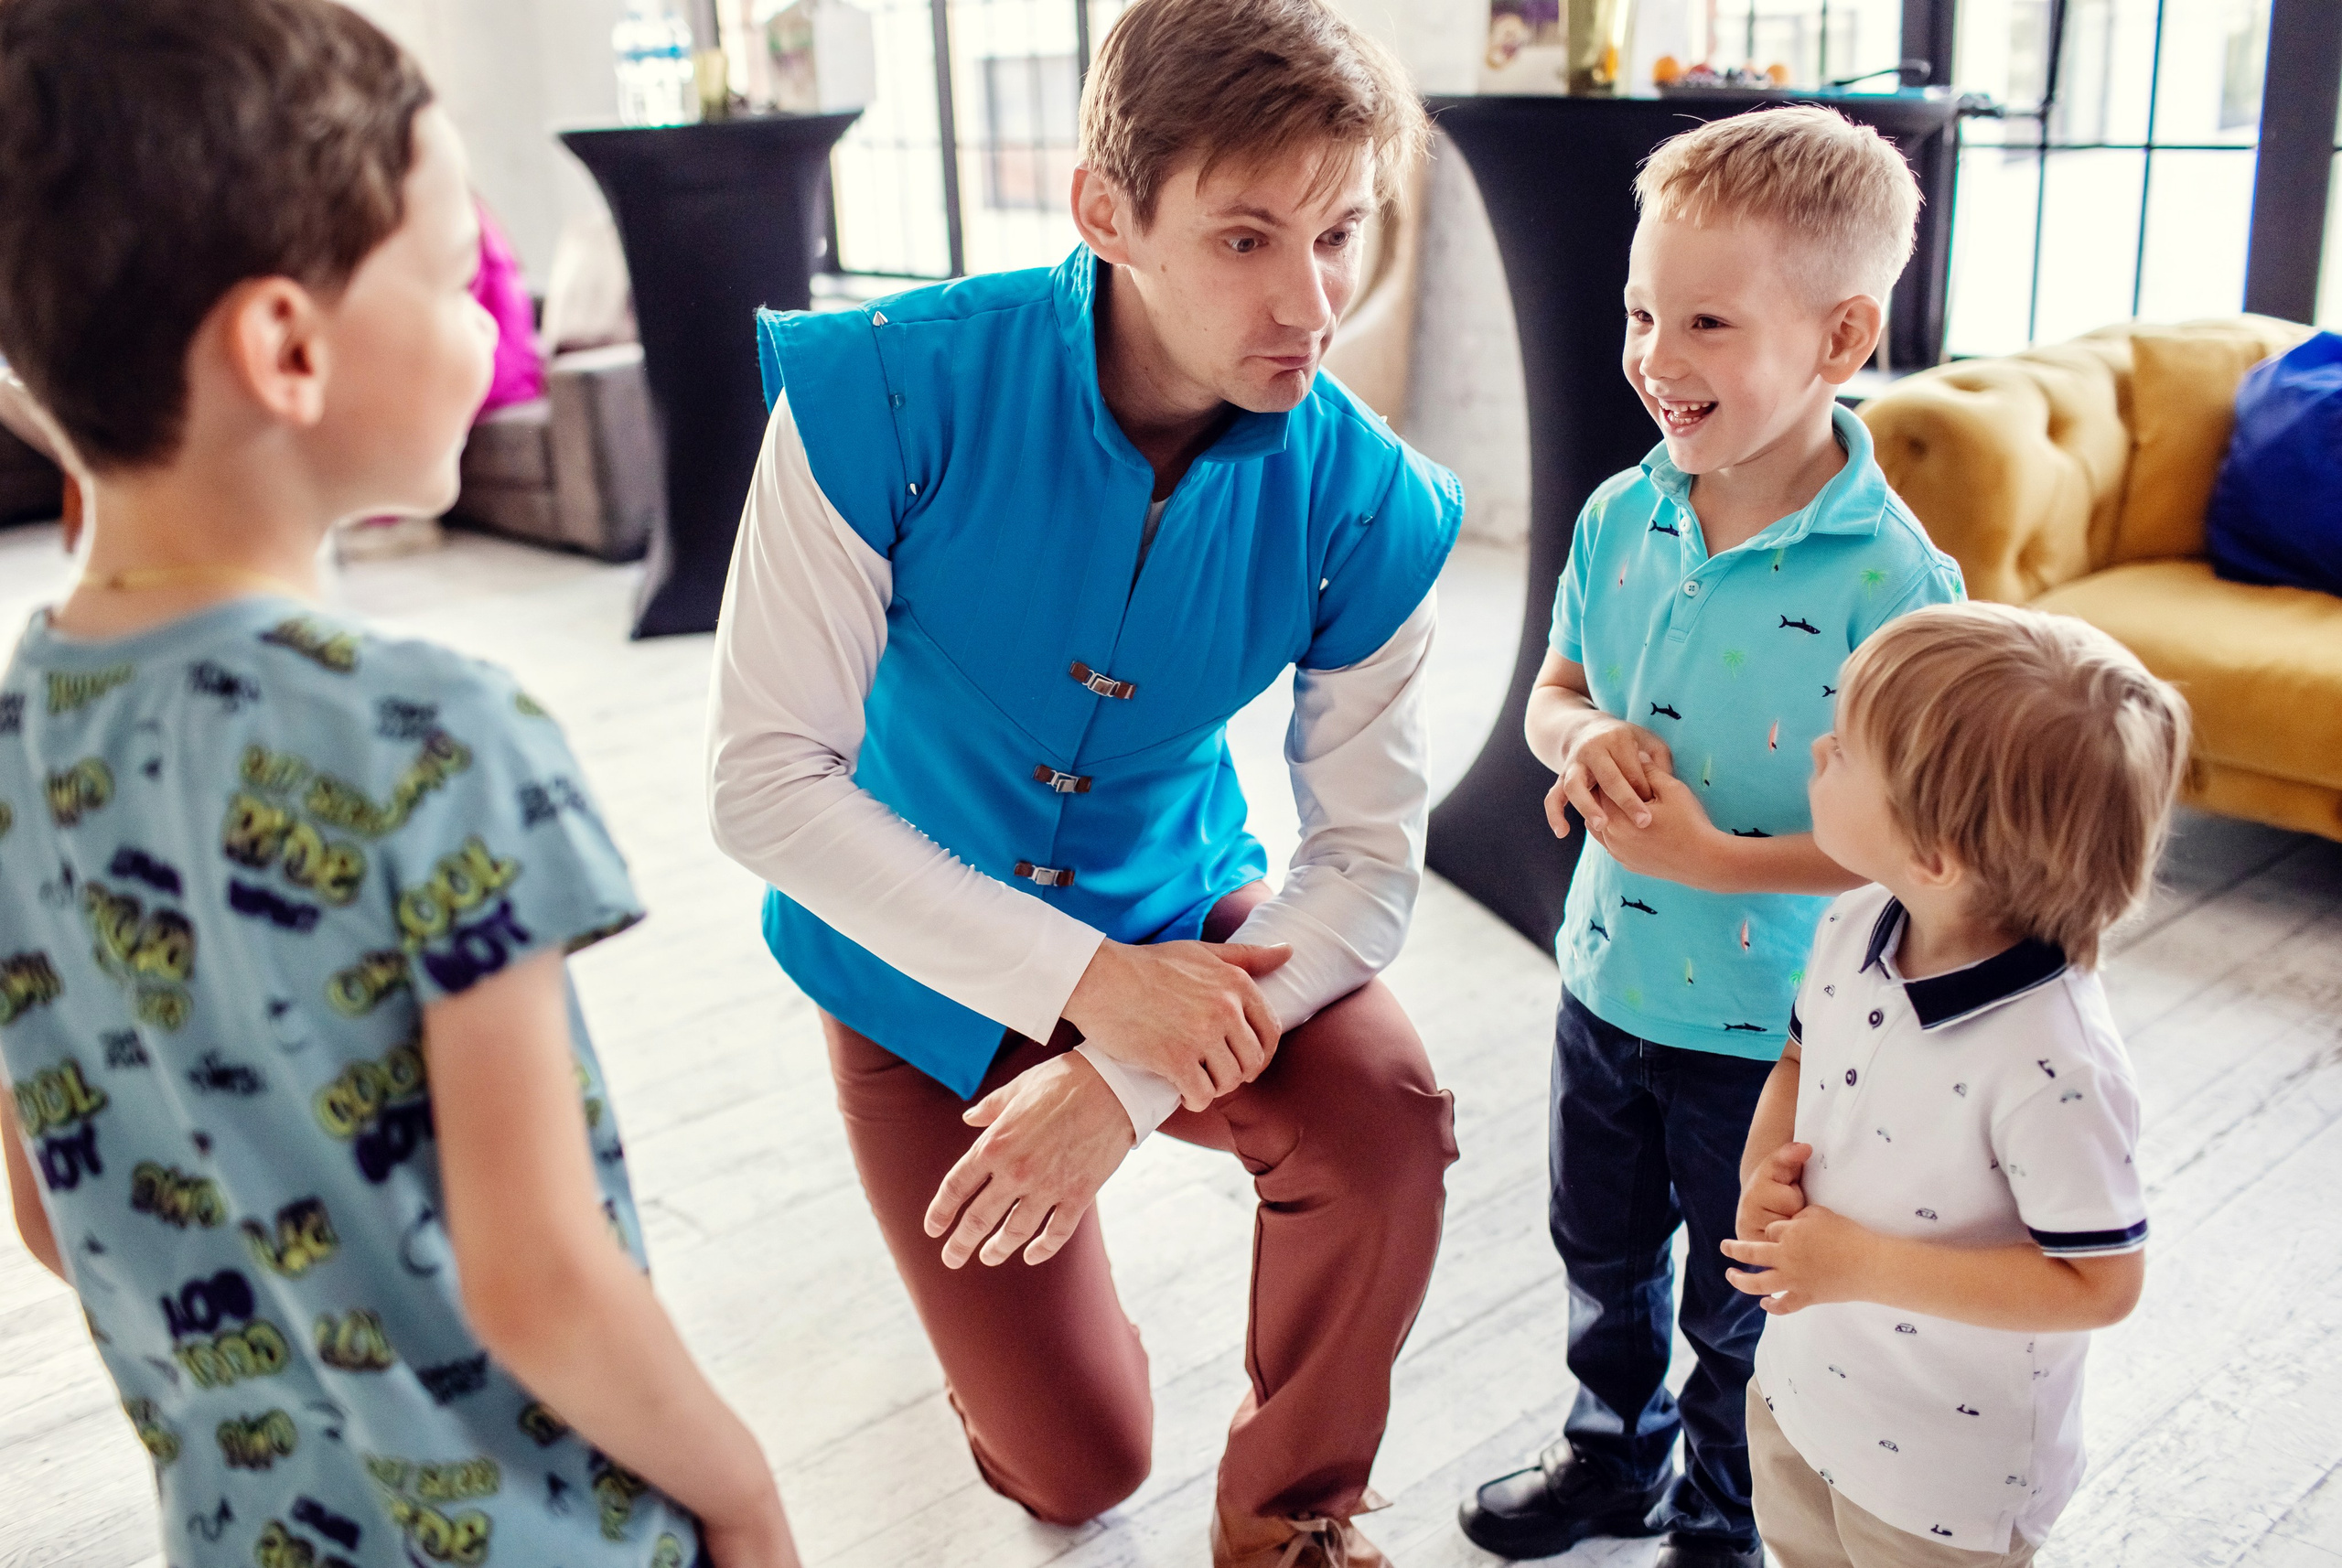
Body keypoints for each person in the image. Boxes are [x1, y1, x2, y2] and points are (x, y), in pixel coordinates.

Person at [0, 4, 796, 1564]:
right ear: (287, 348)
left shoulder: (16, 736)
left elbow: (50, 1204)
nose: (489, 324)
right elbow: (538, 1280)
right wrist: (745, 1488)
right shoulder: (436, 735)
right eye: (450, 279)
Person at [704, 0, 1462, 1561]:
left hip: (1179, 920)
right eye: (1247, 238)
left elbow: (1369, 858)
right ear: (1106, 211)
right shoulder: (884, 392)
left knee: (1385, 1111)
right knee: (1077, 1469)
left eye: (1340, 233)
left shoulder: (1369, 498)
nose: (1311, 303)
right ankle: (1011, 1356)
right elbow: (765, 783)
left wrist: (1118, 1074)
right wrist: (1085, 987)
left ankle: (1293, 1522)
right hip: (910, 974)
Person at [1456, 107, 1965, 1568]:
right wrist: (1580, 736)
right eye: (1640, 313)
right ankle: (1611, 1454)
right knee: (1599, 1252)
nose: (1655, 356)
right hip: (1604, 982)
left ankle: (1723, 1515)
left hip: (1776, 1027)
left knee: (1739, 1297)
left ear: (1840, 337)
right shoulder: (1621, 516)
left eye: (1706, 323)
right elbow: (1553, 691)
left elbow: (1922, 854)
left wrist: (1717, 862)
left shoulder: (1899, 587)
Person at [1724, 601, 2185, 1567]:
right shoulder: (1854, 920)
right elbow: (1800, 1061)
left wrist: (1861, 1265)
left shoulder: (2054, 1063)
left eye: (1847, 748)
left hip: (1945, 1485)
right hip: (1807, 1395)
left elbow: (2101, 1282)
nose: (1816, 748)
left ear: (1935, 856)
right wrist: (1760, 1167)